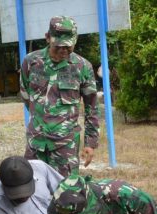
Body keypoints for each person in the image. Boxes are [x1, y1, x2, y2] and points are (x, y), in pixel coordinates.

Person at [19, 15, 100, 177]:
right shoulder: (31, 62)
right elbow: (26, 96)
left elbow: (92, 108)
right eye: (59, 46)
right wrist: (42, 119)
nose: (64, 50)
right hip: (36, 143)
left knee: (66, 194)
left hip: (66, 145)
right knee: (32, 191)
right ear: (48, 38)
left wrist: (90, 143)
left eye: (68, 46)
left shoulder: (82, 67)